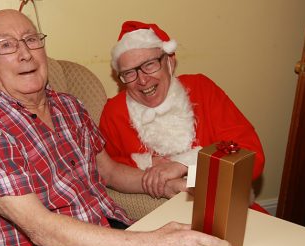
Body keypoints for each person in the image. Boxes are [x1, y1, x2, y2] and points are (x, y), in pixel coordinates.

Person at [0, 10, 232, 246]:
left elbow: (108, 172)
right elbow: (41, 228)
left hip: (117, 239)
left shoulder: (70, 105)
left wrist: (161, 182)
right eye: (6, 45)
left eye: (31, 39)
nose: (25, 53)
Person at [100, 21, 266, 206]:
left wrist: (182, 165)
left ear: (169, 61)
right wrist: (152, 163)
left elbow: (250, 156)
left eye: (149, 64)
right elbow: (107, 170)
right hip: (154, 216)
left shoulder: (202, 89)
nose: (143, 80)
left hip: (224, 206)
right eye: (130, 73)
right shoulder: (114, 112)